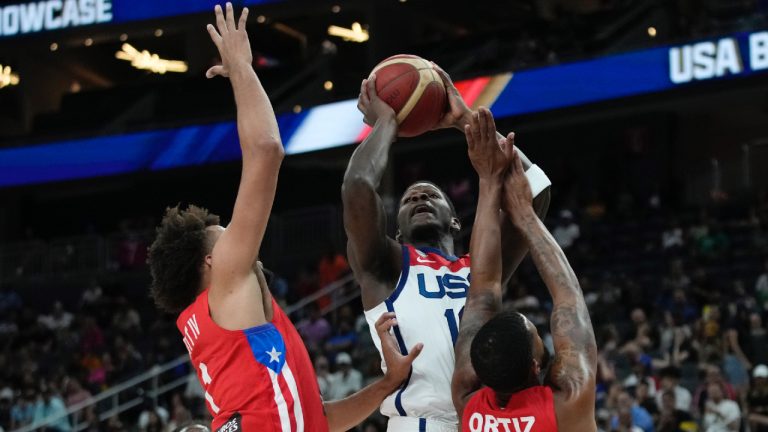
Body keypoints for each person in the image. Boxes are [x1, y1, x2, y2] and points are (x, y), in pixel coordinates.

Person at [147, 5, 421, 431]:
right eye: (225, 234)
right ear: (211, 261)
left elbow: (321, 418)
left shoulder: (237, 329)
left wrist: (388, 384)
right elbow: (266, 150)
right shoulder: (227, 281)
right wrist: (241, 68)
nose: (238, 235)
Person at [343, 67, 551, 431]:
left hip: (485, 420)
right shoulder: (386, 265)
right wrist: (387, 123)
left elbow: (535, 190)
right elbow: (358, 185)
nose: (419, 198)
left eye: (431, 195)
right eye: (410, 199)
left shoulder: (483, 267)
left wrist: (465, 121)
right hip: (421, 422)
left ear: (455, 221)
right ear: (397, 230)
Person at [450, 112, 596, 431]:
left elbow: (482, 294)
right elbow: (568, 296)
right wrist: (524, 214)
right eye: (536, 336)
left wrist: (489, 184)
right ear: (534, 365)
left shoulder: (468, 404)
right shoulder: (566, 404)